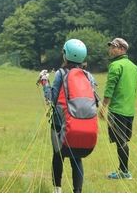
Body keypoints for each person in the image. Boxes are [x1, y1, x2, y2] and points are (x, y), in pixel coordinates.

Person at [38, 39, 98, 193]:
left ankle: (57, 191)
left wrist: (45, 82)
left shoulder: (61, 73)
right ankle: (77, 193)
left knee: (58, 155)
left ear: (66, 55)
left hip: (60, 122)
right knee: (76, 158)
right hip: (82, 124)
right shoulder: (89, 76)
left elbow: (52, 98)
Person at [99, 38, 137, 179]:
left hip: (117, 110)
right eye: (110, 47)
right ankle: (123, 170)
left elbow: (110, 89)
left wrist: (103, 107)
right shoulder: (134, 67)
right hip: (129, 111)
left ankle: (124, 172)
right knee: (123, 141)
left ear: (122, 49)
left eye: (114, 47)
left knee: (120, 141)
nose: (111, 50)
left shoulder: (115, 66)